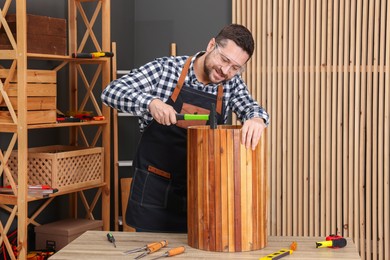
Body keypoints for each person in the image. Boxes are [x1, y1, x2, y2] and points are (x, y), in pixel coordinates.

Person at [101, 24, 270, 232]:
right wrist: (150, 103)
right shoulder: (166, 70)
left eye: (235, 68)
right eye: (224, 60)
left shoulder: (231, 84)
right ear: (211, 45)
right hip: (154, 189)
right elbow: (111, 91)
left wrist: (257, 119)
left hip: (199, 191)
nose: (226, 71)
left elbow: (251, 107)